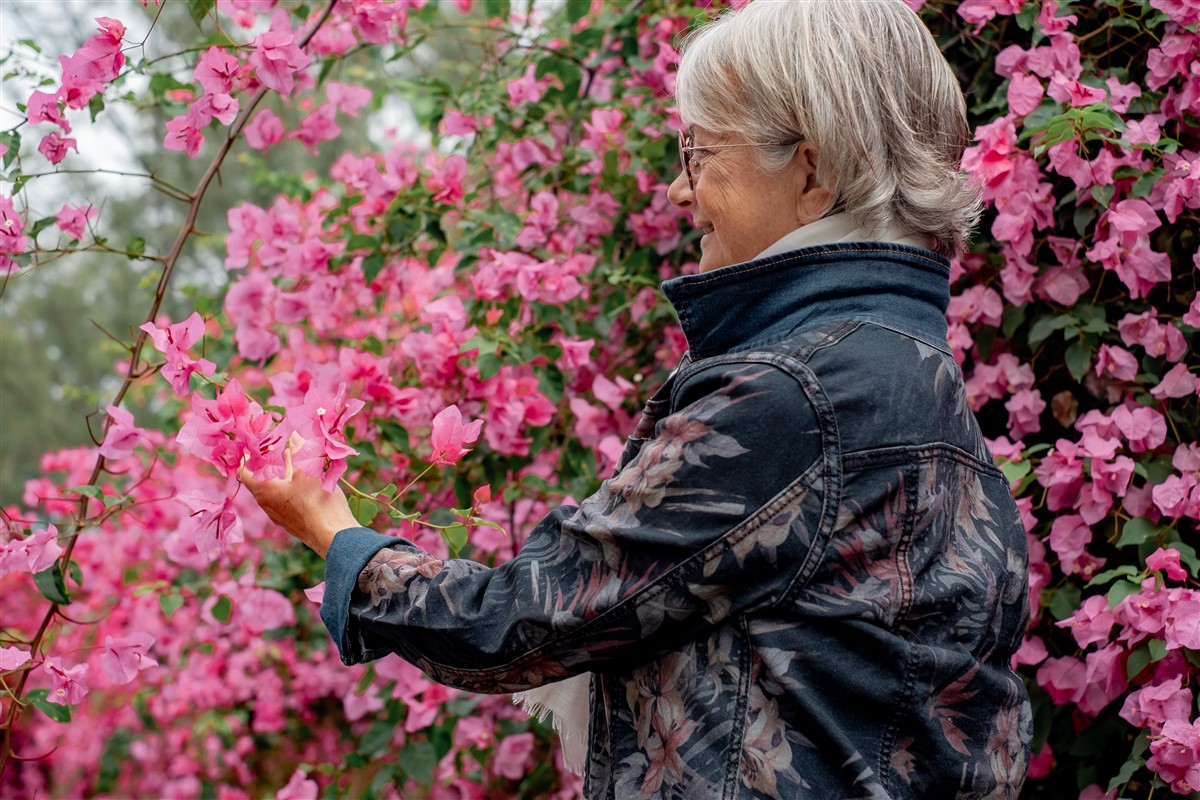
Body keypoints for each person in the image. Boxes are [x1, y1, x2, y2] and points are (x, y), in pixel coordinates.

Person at [243, 1, 1032, 797]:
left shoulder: (796, 392)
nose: (677, 189)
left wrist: (336, 535)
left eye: (697, 151)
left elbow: (530, 618)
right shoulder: (903, 367)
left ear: (811, 172)